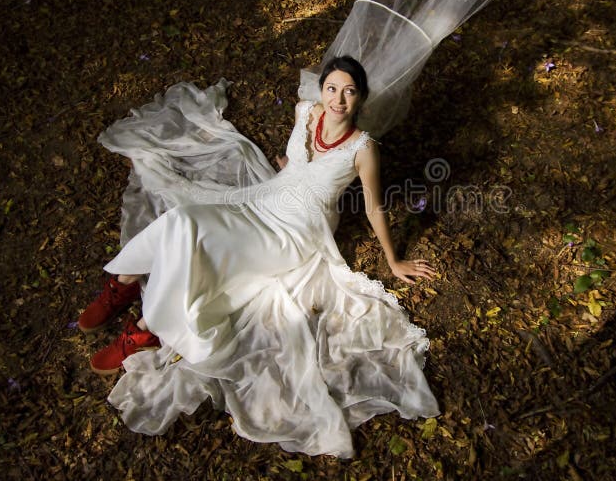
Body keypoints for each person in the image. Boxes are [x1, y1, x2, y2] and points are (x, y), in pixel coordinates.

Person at [77, 55, 440, 458]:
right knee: (182, 219)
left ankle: (146, 327)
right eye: (332, 88)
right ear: (322, 90)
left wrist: (392, 260)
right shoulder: (307, 112)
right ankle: (123, 285)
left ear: (361, 98)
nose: (338, 100)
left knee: (207, 245)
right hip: (266, 198)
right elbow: (298, 162)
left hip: (295, 232)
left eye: (349, 91)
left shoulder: (363, 148)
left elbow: (373, 206)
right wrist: (291, 168)